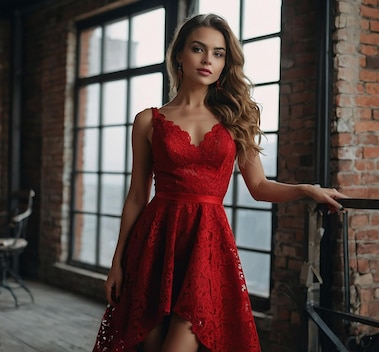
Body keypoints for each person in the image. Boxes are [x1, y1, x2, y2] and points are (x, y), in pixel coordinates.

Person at [92, 13, 347, 352]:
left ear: (226, 62)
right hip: (154, 243)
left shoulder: (238, 117)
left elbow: (258, 187)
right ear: (179, 55)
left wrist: (305, 190)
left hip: (207, 243)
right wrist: (117, 265)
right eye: (198, 49)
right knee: (147, 344)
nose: (207, 60)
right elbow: (137, 195)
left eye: (218, 53)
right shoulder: (147, 121)